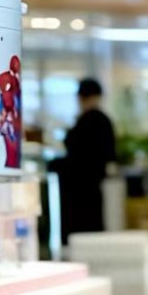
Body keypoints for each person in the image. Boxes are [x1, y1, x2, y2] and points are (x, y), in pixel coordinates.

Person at [57, 78, 117, 241]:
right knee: (93, 225)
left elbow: (72, 149)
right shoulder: (103, 120)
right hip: (94, 184)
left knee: (80, 226)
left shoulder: (86, 121)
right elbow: (111, 154)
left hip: (78, 186)